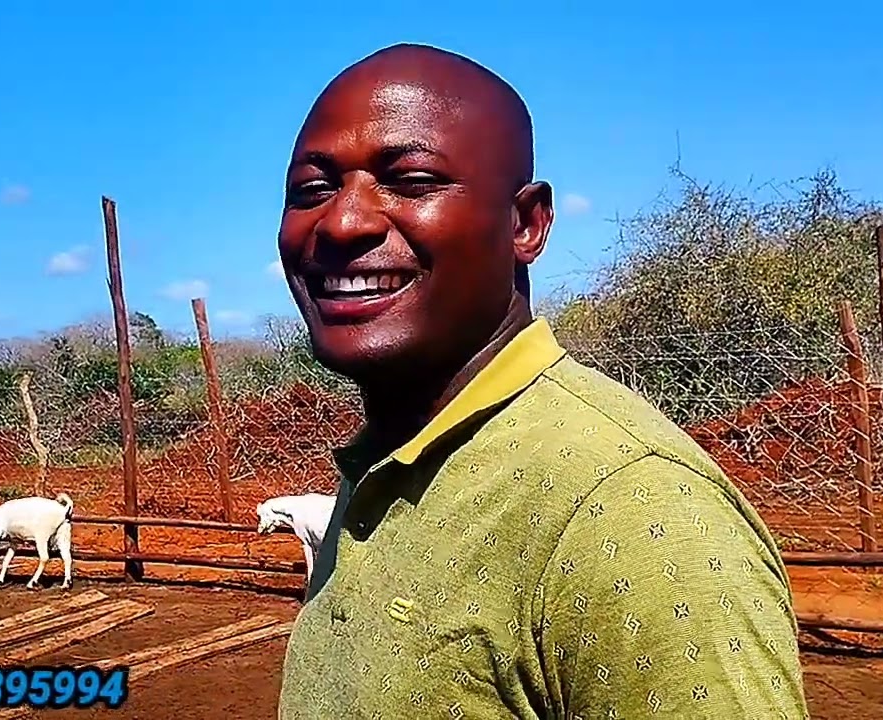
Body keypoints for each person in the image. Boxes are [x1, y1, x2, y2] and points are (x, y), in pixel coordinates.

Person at [275, 43, 808, 720]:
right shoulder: (387, 463)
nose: (343, 221)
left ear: (525, 224)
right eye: (312, 190)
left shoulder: (630, 511)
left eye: (410, 180)